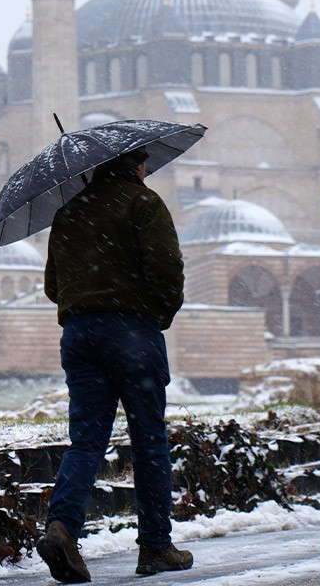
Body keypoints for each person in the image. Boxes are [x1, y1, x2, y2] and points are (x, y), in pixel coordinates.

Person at [35, 147, 193, 583]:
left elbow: (53, 286)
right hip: (132, 334)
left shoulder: (68, 213)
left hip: (79, 335)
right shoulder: (143, 202)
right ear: (136, 166)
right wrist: (154, 314)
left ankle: (62, 527)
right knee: (148, 439)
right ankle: (156, 546)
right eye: (144, 164)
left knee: (86, 441)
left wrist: (88, 300)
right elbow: (167, 271)